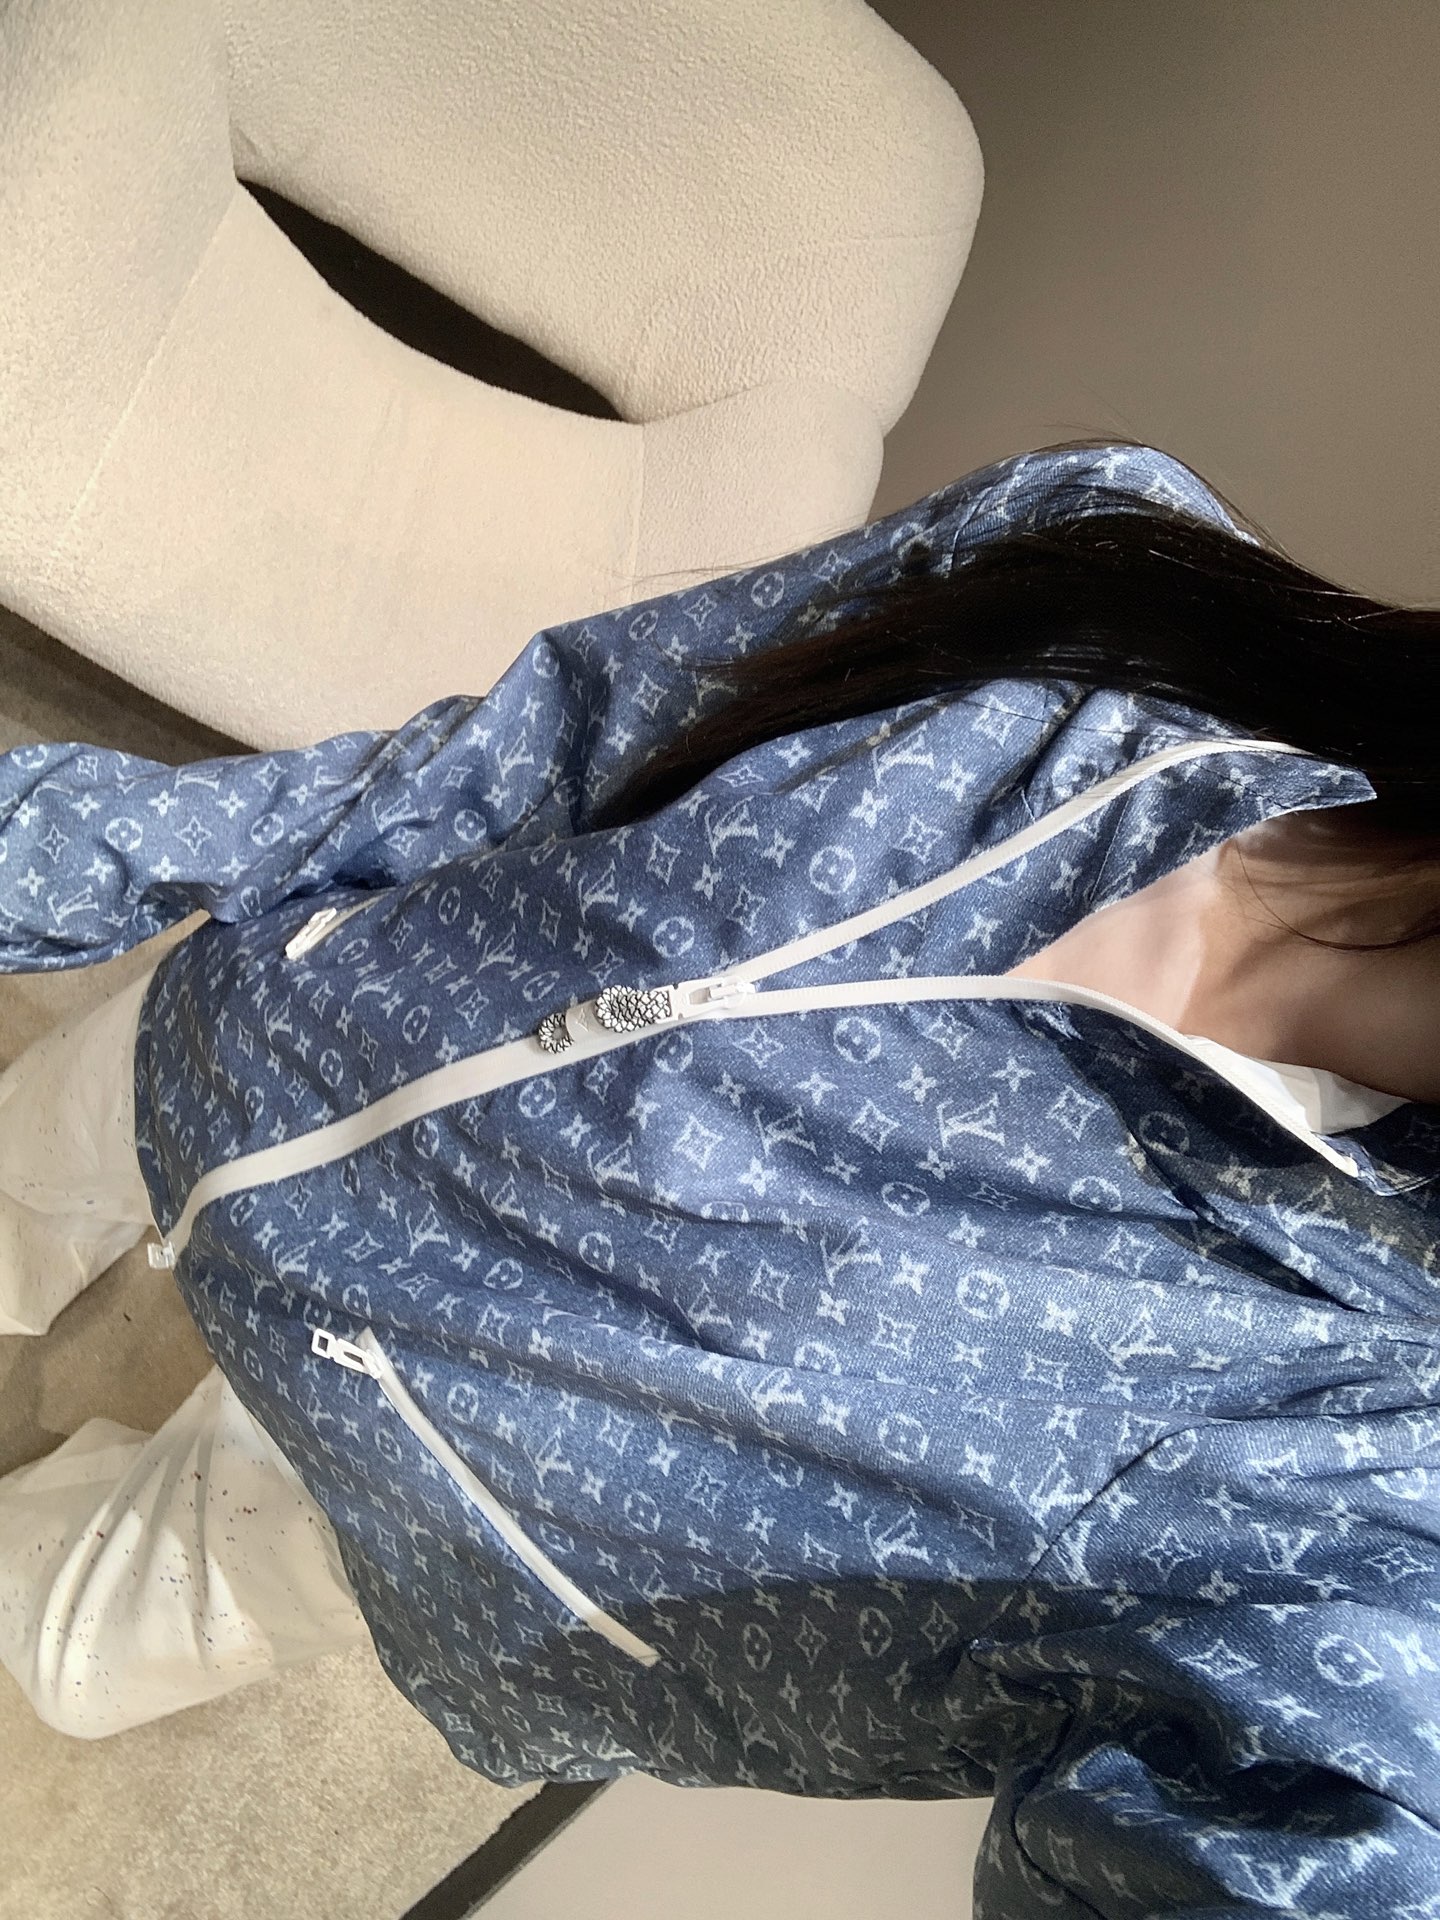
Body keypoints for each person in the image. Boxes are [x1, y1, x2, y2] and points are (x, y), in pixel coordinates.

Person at [1, 435, 1438, 1915]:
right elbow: (530, 750)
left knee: (60, 1649)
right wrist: (46, 853)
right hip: (253, 1041)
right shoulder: (1118, 579)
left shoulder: (1368, 1506)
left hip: (415, 1494)